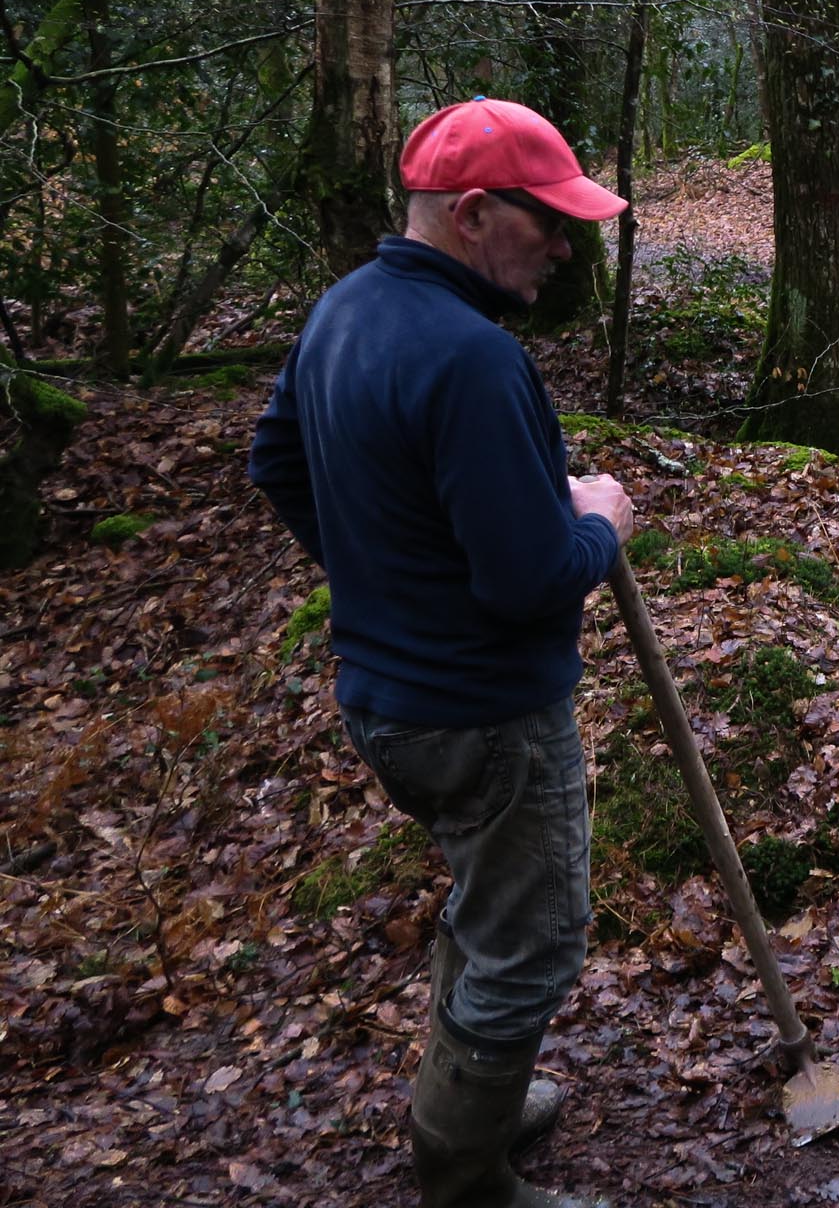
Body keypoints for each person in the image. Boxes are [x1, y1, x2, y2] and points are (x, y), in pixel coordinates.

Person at [249, 98, 633, 1208]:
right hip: (484, 713)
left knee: (488, 902)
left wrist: (388, 571)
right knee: (533, 938)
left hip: (389, 697)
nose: (564, 247)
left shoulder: (347, 309)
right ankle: (464, 1173)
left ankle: (480, 1099)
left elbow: (278, 459)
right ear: (471, 212)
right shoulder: (472, 358)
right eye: (548, 223)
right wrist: (599, 521)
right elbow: (529, 581)